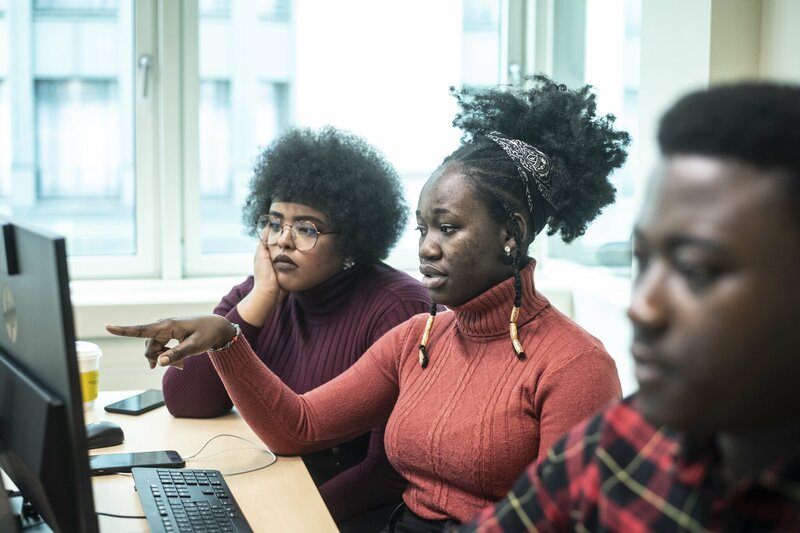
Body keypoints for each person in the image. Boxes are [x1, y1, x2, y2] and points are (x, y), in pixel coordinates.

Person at [107, 75, 630, 531]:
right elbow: (299, 427)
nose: (426, 247)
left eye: (448, 228)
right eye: (424, 228)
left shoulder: (575, 366)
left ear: (511, 233)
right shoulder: (418, 339)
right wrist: (229, 336)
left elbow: (564, 520)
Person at [454, 82, 800, 532]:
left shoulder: (577, 366)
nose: (642, 309)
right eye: (644, 260)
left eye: (694, 269)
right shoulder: (622, 442)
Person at [159, 126, 435, 529]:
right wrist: (258, 303)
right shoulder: (259, 292)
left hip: (339, 514)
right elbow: (187, 401)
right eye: (273, 223)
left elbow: (387, 471)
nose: (282, 242)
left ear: (352, 241)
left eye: (306, 229)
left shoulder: (398, 308)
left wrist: (284, 518)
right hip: (276, 487)